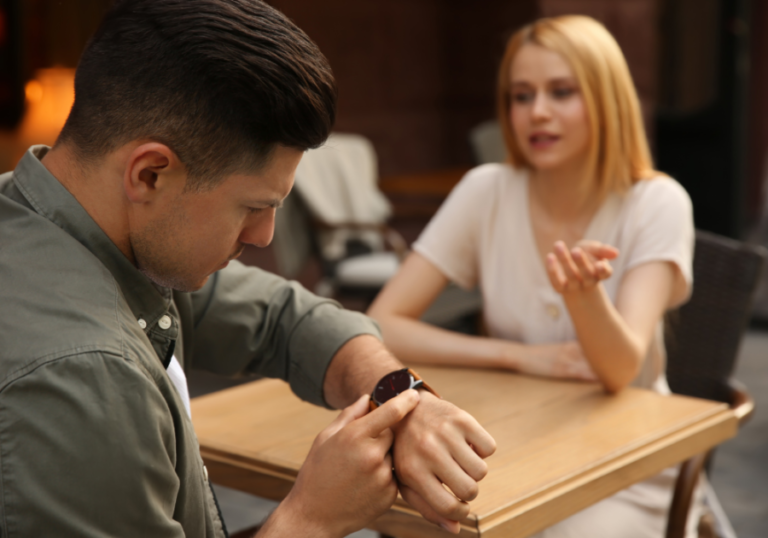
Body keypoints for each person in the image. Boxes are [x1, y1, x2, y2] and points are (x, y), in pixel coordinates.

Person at [0, 1, 497, 536]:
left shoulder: (84, 228)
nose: (264, 236)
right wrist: (311, 517)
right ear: (149, 175)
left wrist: (403, 396)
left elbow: (282, 317)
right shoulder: (84, 377)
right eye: (254, 207)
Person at [368, 15, 697, 538]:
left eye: (561, 92)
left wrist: (584, 298)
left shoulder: (656, 201)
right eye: (522, 96)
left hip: (625, 461)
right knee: (407, 519)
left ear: (607, 99)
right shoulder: (488, 189)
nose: (537, 112)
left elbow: (620, 373)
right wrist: (519, 356)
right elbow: (383, 323)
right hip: (510, 445)